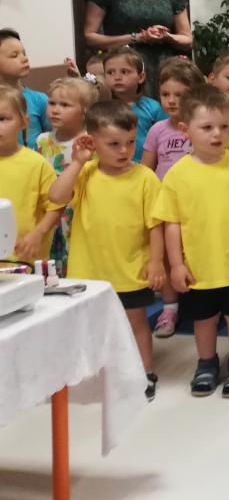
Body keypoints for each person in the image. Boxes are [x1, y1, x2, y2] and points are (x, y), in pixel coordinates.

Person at [51, 100, 163, 401]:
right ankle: (103, 373)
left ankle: (145, 373)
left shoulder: (145, 178)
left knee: (136, 322)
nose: (124, 150)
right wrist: (77, 162)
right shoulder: (86, 172)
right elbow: (57, 196)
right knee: (94, 325)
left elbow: (156, 225)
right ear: (92, 141)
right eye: (113, 144)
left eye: (130, 142)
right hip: (90, 270)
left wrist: (156, 261)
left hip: (130, 268)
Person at [153, 85, 229, 397]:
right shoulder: (177, 174)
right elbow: (171, 222)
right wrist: (176, 264)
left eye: (224, 126)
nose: (217, 134)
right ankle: (207, 362)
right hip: (199, 266)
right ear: (186, 130)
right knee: (204, 319)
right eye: (207, 127)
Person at [37, 77, 100, 261]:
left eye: (65, 105)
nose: (55, 110)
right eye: (52, 103)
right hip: (48, 214)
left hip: (78, 215)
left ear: (85, 111)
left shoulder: (91, 143)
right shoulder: (42, 140)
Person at [0, 86, 62, 264]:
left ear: (23, 122)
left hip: (23, 262)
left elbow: (56, 205)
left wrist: (38, 233)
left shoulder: (37, 164)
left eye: (2, 118)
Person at [142, 59, 206, 179]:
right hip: (163, 189)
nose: (171, 101)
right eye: (165, 94)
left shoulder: (206, 129)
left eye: (179, 95)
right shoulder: (156, 130)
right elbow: (145, 172)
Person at [102, 47, 167, 164]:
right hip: (111, 166)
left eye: (124, 72)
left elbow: (165, 136)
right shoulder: (103, 109)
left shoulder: (153, 107)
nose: (117, 77)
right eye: (110, 72)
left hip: (146, 167)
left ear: (141, 77)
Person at [0, 28, 48, 149]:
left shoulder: (40, 100)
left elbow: (56, 137)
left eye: (24, 54)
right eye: (14, 55)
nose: (25, 58)